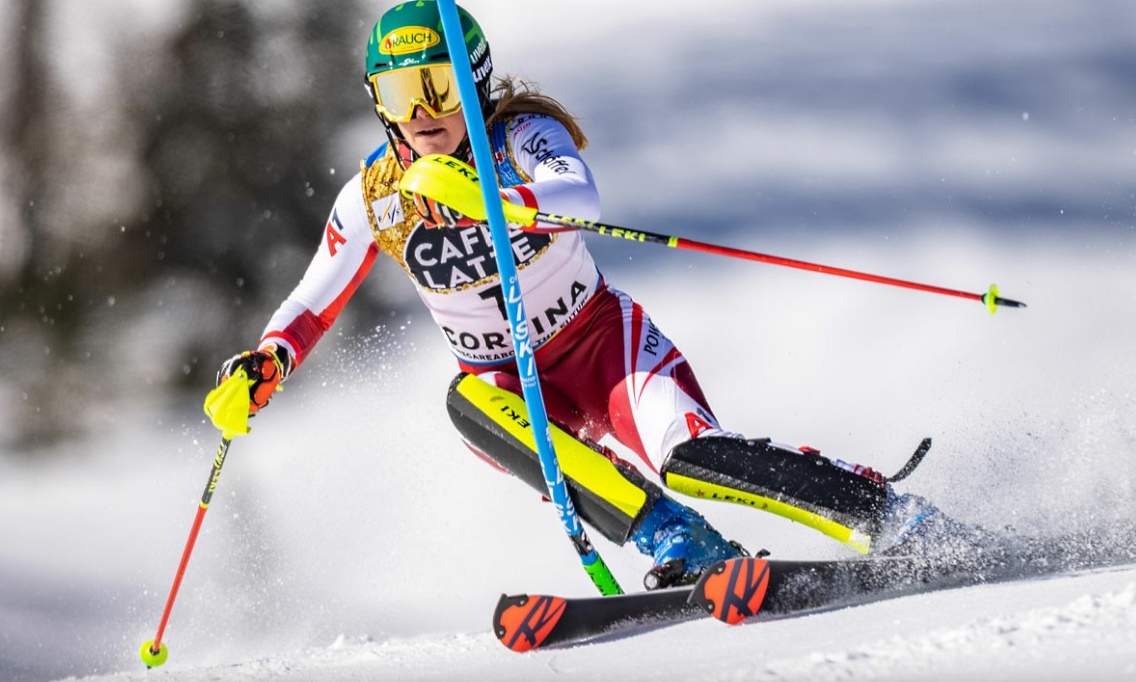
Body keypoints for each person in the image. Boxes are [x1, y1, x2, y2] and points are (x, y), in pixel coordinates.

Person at [216, 1, 953, 590]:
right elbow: (312, 302)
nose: (419, 113)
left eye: (437, 87)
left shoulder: (520, 137)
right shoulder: (372, 197)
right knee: (467, 403)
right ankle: (686, 547)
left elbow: (577, 196)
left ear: (474, 80)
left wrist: (486, 196)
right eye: (398, 94)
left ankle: (885, 513)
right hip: (514, 385)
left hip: (602, 348)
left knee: (692, 458)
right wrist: (263, 367)